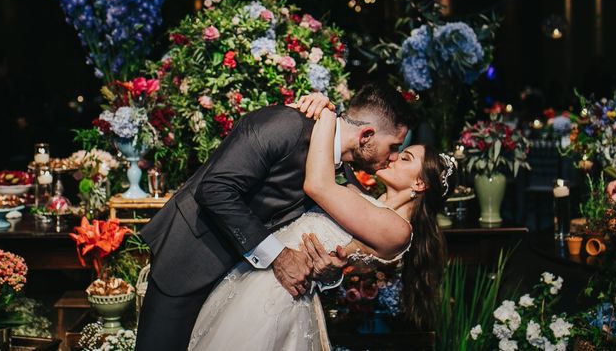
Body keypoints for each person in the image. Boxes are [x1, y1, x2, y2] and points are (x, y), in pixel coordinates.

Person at [136, 83, 415, 351]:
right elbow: (216, 189)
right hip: (193, 261)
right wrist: (279, 256)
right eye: (393, 146)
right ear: (366, 135)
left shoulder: (343, 175)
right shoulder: (286, 125)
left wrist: (329, 273)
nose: (393, 156)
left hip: (241, 290)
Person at [187, 108, 451, 350]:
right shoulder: (366, 199)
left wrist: (327, 115)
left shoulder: (398, 230)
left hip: (281, 292)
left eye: (404, 157)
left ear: (419, 184)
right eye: (395, 150)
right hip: (265, 276)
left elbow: (318, 184)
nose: (393, 157)